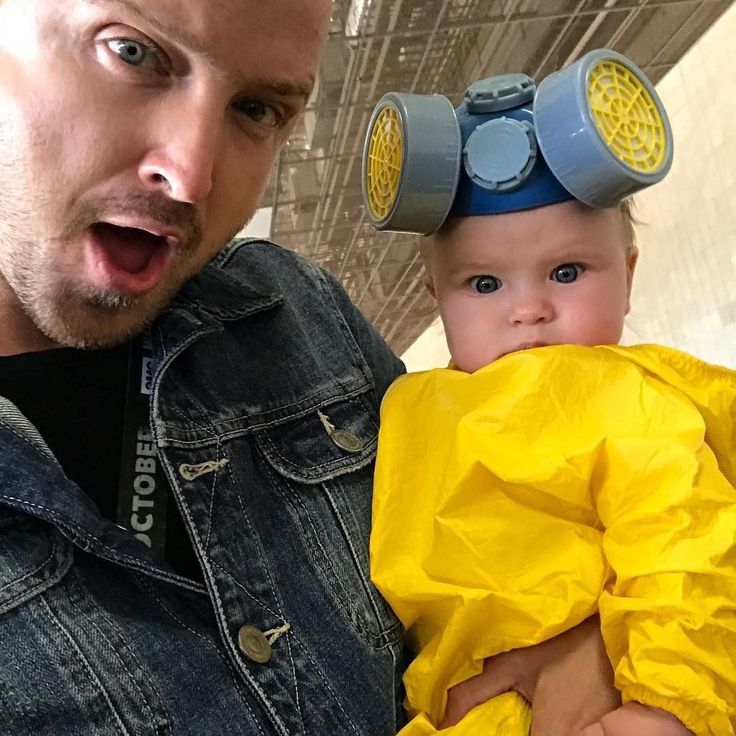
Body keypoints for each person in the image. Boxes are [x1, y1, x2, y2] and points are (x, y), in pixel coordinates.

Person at [0, 1, 626, 734]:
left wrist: (590, 641)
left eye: (257, 108)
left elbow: (503, 538)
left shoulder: (294, 312)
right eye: (133, 54)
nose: (192, 173)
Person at [364, 51, 736, 735]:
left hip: (615, 700)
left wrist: (666, 708)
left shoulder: (625, 399)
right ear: (436, 300)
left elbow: (683, 546)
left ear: (627, 275)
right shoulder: (417, 409)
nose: (529, 309)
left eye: (567, 271)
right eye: (484, 284)